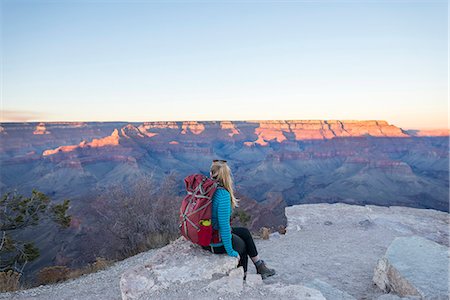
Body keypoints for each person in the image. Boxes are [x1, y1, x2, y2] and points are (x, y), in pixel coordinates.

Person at [201, 159, 276, 280]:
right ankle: (242, 278)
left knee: (244, 232)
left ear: (211, 174)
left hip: (205, 236)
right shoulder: (222, 195)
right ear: (226, 176)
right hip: (213, 241)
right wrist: (230, 250)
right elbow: (224, 226)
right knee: (242, 247)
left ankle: (259, 266)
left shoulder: (206, 189)